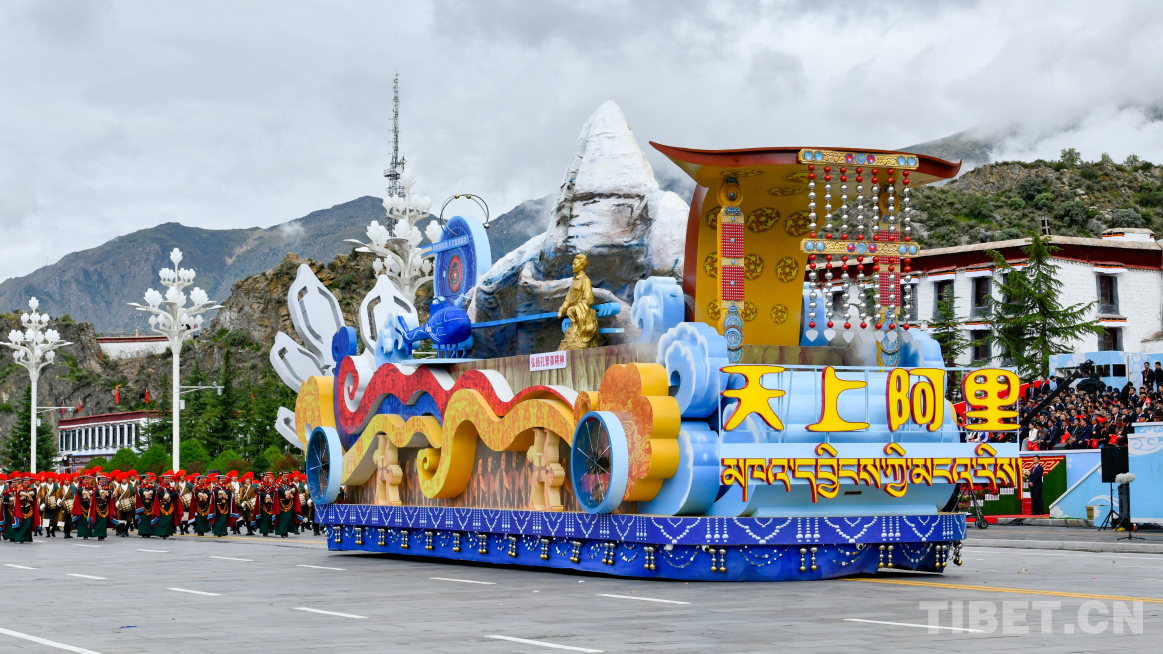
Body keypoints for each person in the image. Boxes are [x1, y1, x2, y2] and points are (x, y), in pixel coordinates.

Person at [154, 471, 183, 539]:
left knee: (169, 520)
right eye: (166, 478)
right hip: (162, 506)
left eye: (168, 478)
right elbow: (159, 493)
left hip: (170, 506)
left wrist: (169, 496)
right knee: (162, 520)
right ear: (163, 479)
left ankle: (167, 533)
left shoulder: (172, 487)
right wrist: (164, 495)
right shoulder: (160, 487)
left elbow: (175, 494)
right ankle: (161, 533)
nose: (167, 480)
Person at [255, 471, 278, 536]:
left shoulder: (272, 485)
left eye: (268, 477)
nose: (267, 478)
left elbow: (274, 492)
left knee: (269, 517)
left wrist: (270, 496)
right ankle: (264, 531)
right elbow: (259, 492)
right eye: (266, 477)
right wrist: (266, 496)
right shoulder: (260, 485)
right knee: (264, 518)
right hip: (263, 503)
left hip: (270, 503)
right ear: (263, 477)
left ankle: (269, 530)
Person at [135, 472, 158, 537]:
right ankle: (143, 532)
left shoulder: (152, 487)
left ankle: (150, 532)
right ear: (143, 480)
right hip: (143, 506)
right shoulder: (140, 488)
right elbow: (140, 492)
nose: (147, 481)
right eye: (146, 479)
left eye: (148, 479)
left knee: (149, 519)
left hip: (150, 505)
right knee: (143, 520)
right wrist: (145, 494)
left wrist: (151, 492)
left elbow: (155, 491)